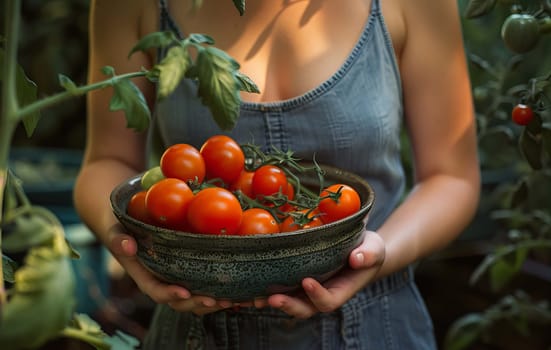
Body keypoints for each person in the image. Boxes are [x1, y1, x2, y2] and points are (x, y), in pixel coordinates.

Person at [74, 0, 481, 348]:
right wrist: (128, 245)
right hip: (193, 328)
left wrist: (378, 252)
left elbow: (452, 178)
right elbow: (105, 162)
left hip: (373, 324)